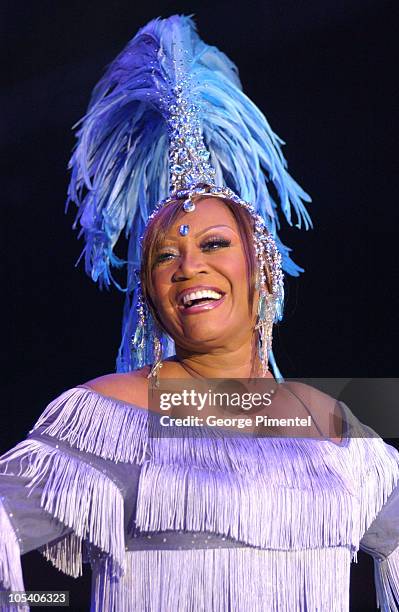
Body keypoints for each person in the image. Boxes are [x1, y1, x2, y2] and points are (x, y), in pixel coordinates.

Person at [1, 14, 399, 612]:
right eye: (165, 256)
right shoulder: (108, 416)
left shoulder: (337, 425)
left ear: (262, 269)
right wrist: (59, 602)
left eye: (214, 244)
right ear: (147, 292)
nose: (189, 268)